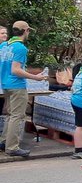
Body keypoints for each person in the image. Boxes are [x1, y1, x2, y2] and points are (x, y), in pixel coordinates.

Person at [2, 20, 48, 158]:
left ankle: (4, 141)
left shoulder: (5, 45)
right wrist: (36, 78)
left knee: (10, 115)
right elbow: (16, 70)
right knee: (17, 116)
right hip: (17, 85)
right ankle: (12, 147)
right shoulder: (20, 48)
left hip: (5, 84)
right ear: (26, 31)